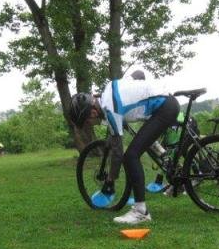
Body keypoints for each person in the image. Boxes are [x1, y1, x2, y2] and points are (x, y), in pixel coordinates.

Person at [70, 74, 180, 224]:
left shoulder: (110, 109)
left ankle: (141, 212)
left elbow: (117, 153)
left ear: (93, 112)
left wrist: (110, 180)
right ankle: (172, 170)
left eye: (88, 121)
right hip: (164, 103)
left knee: (131, 156)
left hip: (164, 108)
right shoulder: (108, 90)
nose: (90, 124)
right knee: (141, 145)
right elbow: (137, 74)